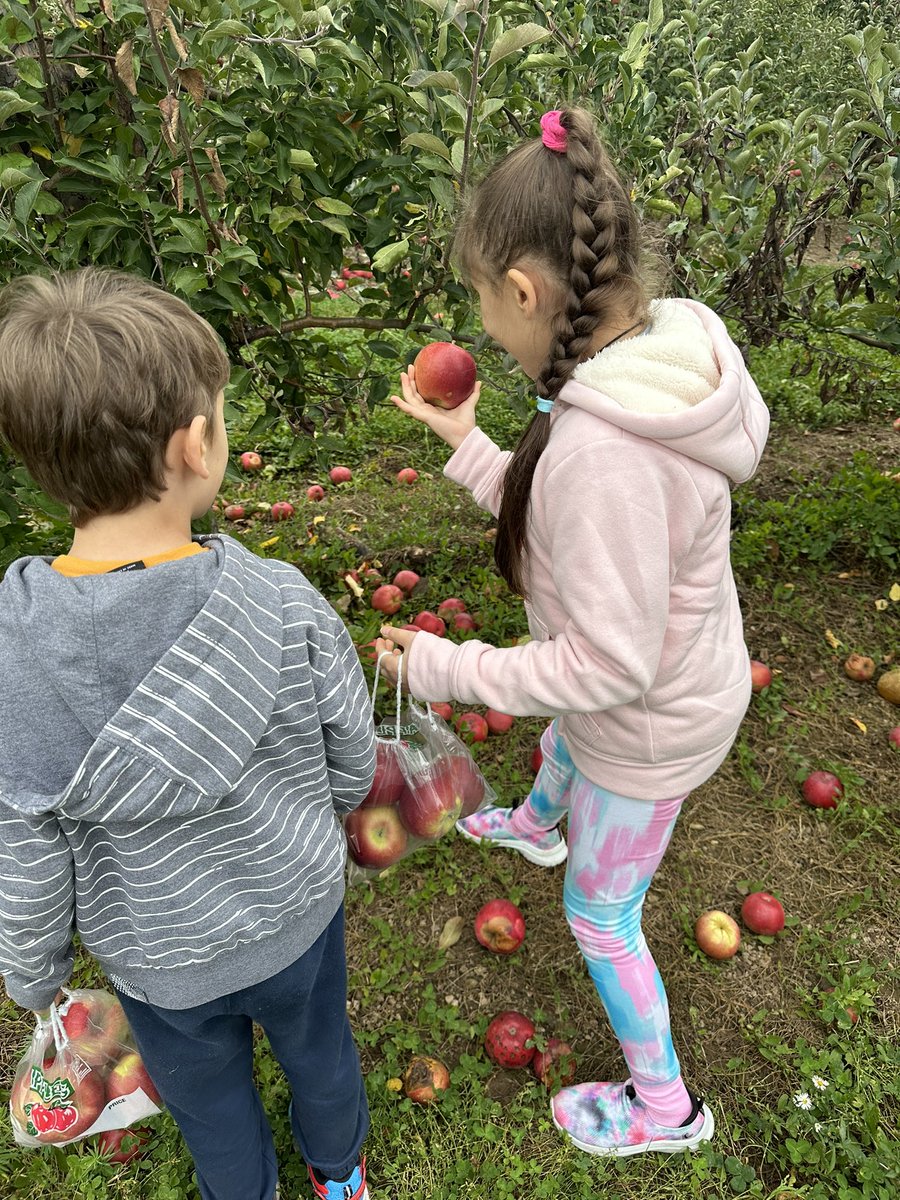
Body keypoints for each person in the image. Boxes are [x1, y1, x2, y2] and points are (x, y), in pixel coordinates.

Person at [376, 106, 770, 1158]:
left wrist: (445, 662)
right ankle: (540, 823)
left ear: (522, 292)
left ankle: (665, 1109)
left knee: (601, 916)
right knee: (565, 741)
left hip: (650, 722)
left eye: (481, 301)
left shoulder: (605, 444)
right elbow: (557, 510)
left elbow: (604, 665)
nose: (482, 327)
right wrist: (468, 443)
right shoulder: (646, 361)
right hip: (667, 683)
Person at [0, 269, 374, 1200]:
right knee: (322, 1053)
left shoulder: (13, 652)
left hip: (158, 959)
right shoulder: (279, 602)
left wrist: (35, 976)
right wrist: (346, 805)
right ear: (196, 444)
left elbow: (25, 846)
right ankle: (340, 1177)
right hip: (295, 914)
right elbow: (351, 746)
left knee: (208, 1103)